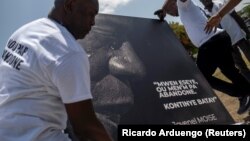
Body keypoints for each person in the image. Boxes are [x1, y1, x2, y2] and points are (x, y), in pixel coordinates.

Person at [0, 0, 112, 141]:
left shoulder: (24, 32)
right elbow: (85, 127)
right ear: (69, 6)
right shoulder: (68, 52)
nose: (93, 22)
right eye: (90, 14)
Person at [154, 0, 250, 114]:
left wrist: (164, 9)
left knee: (201, 77)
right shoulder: (186, 12)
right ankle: (246, 93)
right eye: (170, 14)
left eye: (171, 11)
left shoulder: (183, 5)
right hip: (218, 39)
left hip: (211, 43)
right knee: (230, 71)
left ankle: (240, 93)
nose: (172, 14)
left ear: (174, 4)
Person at [200, 0, 250, 81]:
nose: (205, 1)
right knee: (241, 67)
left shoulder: (220, 3)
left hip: (238, 35)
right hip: (228, 43)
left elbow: (236, 16)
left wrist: (246, 31)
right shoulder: (204, 13)